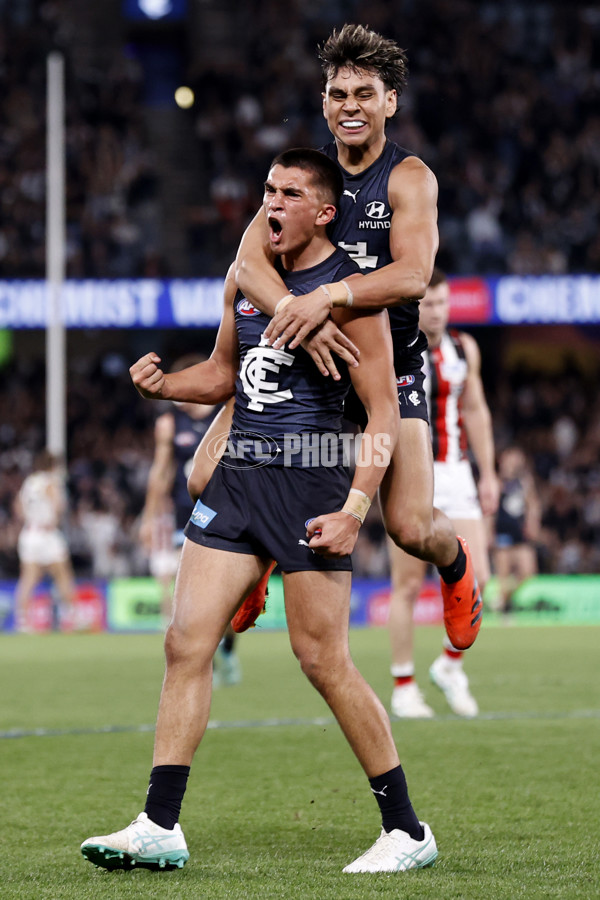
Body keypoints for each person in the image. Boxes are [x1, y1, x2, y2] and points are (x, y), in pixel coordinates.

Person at [80, 148, 438, 875]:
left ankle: (407, 830)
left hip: (311, 482)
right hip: (239, 478)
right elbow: (224, 371)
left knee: (322, 661)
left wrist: (356, 508)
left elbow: (378, 413)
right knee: (185, 643)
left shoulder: (349, 293)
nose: (271, 204)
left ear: (324, 211)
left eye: (290, 194)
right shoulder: (248, 278)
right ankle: (159, 823)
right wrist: (165, 387)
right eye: (268, 190)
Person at [194, 23, 481, 653]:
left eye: (364, 92)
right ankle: (260, 564)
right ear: (324, 101)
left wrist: (329, 297)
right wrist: (309, 314)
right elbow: (248, 264)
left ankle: (456, 563)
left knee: (408, 526)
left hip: (387, 364)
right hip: (308, 361)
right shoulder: (305, 176)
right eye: (337, 92)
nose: (349, 105)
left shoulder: (409, 179)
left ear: (389, 102)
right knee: (202, 476)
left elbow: (412, 275)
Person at [388, 269, 499, 718]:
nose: (437, 311)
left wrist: (488, 473)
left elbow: (476, 409)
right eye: (429, 304)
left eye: (443, 303)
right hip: (415, 470)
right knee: (408, 585)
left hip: (457, 472)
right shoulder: (397, 347)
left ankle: (450, 666)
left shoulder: (464, 348)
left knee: (480, 578)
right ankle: (403, 684)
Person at [138, 356, 241, 684]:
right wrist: (148, 516)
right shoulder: (169, 421)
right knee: (190, 594)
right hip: (187, 518)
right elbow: (161, 470)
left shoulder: (227, 411)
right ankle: (199, 659)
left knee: (227, 600)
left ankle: (226, 649)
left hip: (225, 512)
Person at [14, 449, 75, 631]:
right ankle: (70, 618)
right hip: (47, 534)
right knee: (63, 574)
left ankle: (23, 622)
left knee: (28, 579)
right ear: (53, 466)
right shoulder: (51, 482)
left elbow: (17, 506)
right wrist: (52, 518)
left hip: (30, 533)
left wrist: (30, 518)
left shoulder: (29, 482)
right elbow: (58, 506)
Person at [493, 446, 541, 614]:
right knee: (503, 574)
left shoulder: (524, 481)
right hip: (502, 532)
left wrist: (533, 522)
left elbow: (532, 504)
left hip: (520, 533)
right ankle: (503, 612)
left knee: (528, 571)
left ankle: (504, 600)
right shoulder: (496, 481)